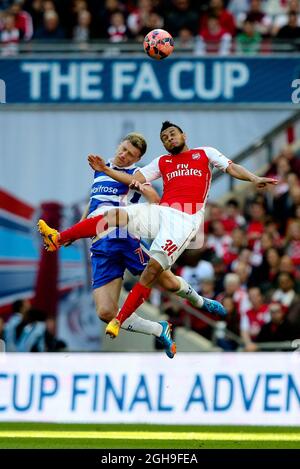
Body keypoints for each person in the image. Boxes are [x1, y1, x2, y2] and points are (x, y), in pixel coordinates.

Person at [38, 122, 277, 350]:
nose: (169, 138)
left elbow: (230, 167)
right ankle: (57, 238)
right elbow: (94, 204)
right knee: (106, 303)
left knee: (160, 276)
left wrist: (254, 178)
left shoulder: (204, 153)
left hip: (180, 220)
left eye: (172, 134)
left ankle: (195, 303)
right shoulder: (151, 164)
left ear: (184, 136)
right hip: (121, 232)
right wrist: (105, 171)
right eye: (164, 137)